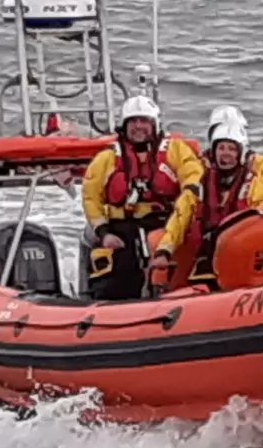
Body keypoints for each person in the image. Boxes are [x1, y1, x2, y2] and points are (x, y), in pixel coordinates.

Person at [81, 95, 203, 300]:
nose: (139, 127)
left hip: (166, 223)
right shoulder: (108, 158)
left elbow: (193, 179)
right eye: (133, 121)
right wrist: (104, 233)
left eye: (144, 121)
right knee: (118, 278)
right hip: (121, 228)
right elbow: (91, 197)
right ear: (124, 125)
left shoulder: (175, 151)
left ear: (154, 124)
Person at [174, 105, 263, 284]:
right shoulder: (202, 168)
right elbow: (186, 197)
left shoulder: (255, 168)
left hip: (243, 235)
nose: (226, 153)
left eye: (232, 146)